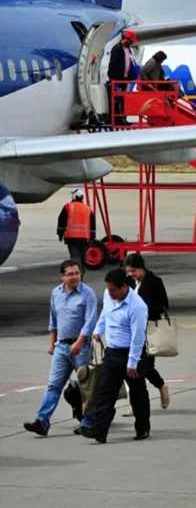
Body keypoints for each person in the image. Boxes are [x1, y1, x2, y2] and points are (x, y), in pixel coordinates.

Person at [22, 260, 98, 437]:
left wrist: (79, 343)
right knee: (54, 385)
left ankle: (88, 422)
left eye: (77, 273)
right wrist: (52, 343)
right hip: (62, 347)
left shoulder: (87, 294)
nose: (74, 277)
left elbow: (90, 322)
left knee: (85, 387)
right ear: (62, 276)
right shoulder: (56, 293)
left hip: (81, 347)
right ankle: (42, 421)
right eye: (70, 274)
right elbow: (53, 321)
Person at [78, 268, 151, 444]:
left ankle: (143, 427)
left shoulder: (137, 307)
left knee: (137, 392)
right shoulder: (109, 295)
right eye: (108, 290)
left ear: (124, 287)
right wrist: (98, 330)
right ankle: (99, 430)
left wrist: (132, 362)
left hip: (132, 353)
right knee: (105, 392)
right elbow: (105, 314)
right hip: (112, 352)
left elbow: (138, 336)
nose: (109, 293)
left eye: (113, 290)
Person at [123, 254, 170, 412]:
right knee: (130, 367)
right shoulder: (128, 283)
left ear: (142, 268)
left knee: (146, 367)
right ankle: (134, 404)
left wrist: (144, 311)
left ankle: (161, 386)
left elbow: (164, 304)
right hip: (130, 330)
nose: (131, 274)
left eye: (134, 271)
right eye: (129, 271)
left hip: (148, 329)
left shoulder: (155, 282)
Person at [57, 189, 95, 277]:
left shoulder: (68, 207)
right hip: (84, 238)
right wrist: (92, 237)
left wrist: (60, 233)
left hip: (71, 237)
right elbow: (92, 225)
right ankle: (81, 272)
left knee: (75, 256)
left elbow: (61, 221)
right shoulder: (88, 208)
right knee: (82, 256)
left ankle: (78, 274)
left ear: (74, 196)